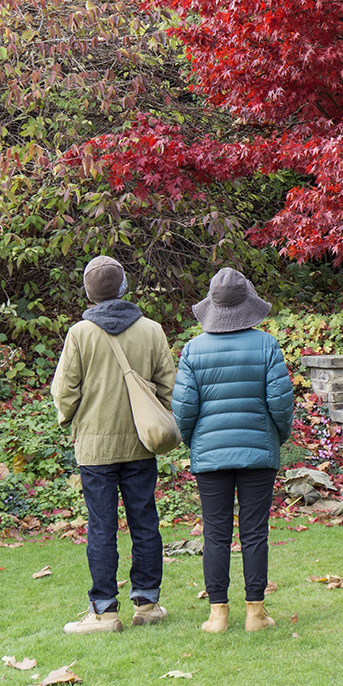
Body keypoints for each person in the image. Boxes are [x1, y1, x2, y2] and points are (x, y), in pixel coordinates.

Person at [51, 254, 176, 634]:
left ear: (88, 293)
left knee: (101, 527)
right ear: (124, 287)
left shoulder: (80, 334)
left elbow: (64, 391)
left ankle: (104, 611)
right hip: (141, 443)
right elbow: (169, 386)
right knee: (145, 522)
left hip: (95, 447)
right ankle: (148, 603)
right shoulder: (152, 330)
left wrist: (69, 418)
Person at [173, 266, 295, 633]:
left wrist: (197, 442)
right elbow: (281, 404)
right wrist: (277, 436)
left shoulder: (193, 350)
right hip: (258, 452)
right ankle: (256, 614)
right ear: (247, 304)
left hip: (210, 455)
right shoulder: (266, 345)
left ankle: (217, 615)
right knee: (255, 531)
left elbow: (183, 410)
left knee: (215, 533)